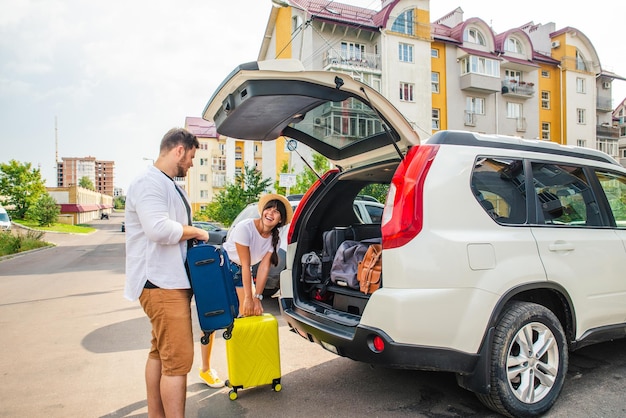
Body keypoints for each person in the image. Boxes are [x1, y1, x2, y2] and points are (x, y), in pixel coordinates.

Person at [124, 127, 209, 418]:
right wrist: (196, 231)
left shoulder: (165, 183)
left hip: (165, 282)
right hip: (160, 284)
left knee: (161, 353)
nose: (192, 164)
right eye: (192, 157)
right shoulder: (150, 183)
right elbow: (158, 229)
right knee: (179, 361)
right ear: (179, 150)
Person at [198, 193, 293, 388]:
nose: (271, 213)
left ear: (280, 219)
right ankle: (205, 370)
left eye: (276, 212)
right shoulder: (245, 227)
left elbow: (265, 267)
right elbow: (245, 264)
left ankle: (245, 368)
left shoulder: (274, 237)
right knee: (214, 318)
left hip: (242, 271)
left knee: (248, 315)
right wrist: (249, 297)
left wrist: (257, 297)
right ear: (263, 210)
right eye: (269, 208)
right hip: (223, 269)